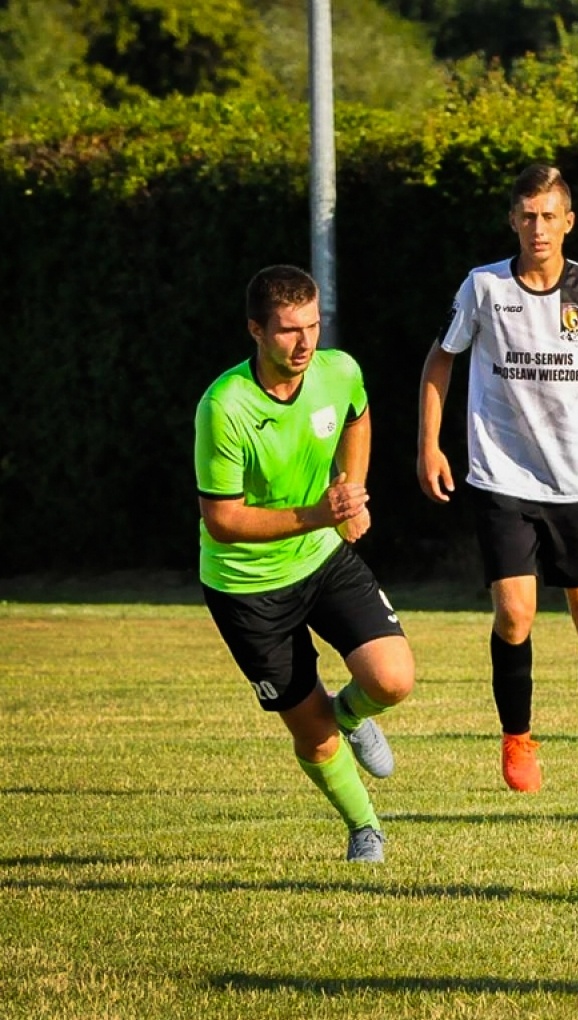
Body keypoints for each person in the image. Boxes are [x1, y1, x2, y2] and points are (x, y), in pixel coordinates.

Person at [417, 163, 578, 796]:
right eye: (528, 216)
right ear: (512, 221)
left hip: (577, 484)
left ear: (569, 222)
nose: (539, 228)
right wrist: (430, 446)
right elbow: (440, 361)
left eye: (550, 216)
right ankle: (518, 737)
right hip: (500, 476)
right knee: (516, 612)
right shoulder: (484, 288)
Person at [196, 265, 415, 863]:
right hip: (247, 587)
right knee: (311, 733)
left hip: (321, 560)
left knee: (392, 679)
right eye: (290, 330)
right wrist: (321, 512)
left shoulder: (338, 371)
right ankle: (365, 829)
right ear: (256, 331)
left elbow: (358, 415)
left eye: (313, 326)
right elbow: (223, 520)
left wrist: (354, 492)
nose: (305, 343)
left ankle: (352, 714)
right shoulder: (224, 407)